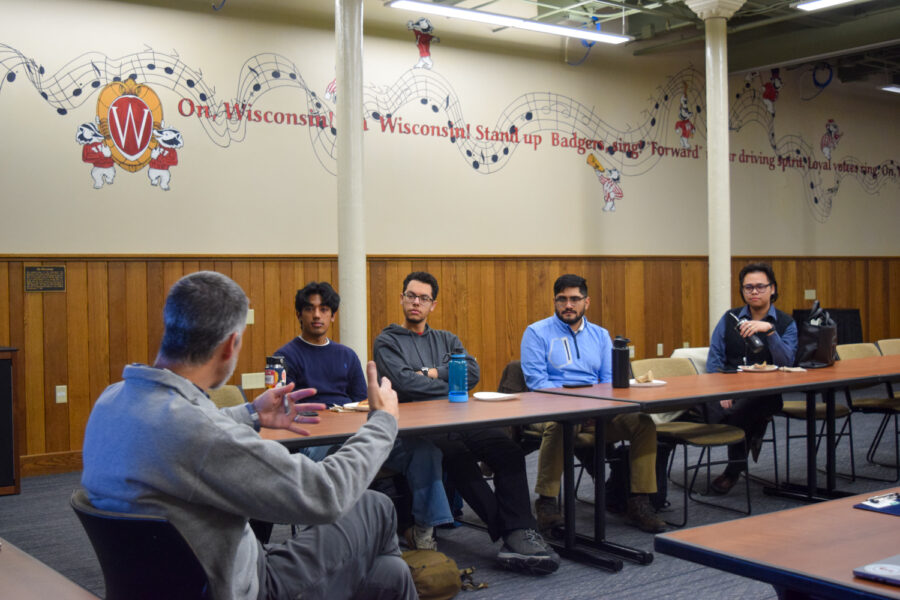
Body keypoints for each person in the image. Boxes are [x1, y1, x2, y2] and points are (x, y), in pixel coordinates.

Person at [81, 271, 415, 600]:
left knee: (390, 575)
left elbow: (182, 430)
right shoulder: (205, 437)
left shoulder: (112, 401)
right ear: (231, 345)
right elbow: (326, 495)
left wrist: (251, 414)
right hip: (249, 586)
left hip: (162, 584)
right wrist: (383, 421)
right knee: (376, 505)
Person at [374, 271, 560, 575]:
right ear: (402, 299)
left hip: (460, 416)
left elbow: (471, 373)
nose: (416, 303)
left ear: (432, 305)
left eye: (423, 298)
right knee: (457, 457)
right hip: (420, 429)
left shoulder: (447, 338)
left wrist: (428, 374)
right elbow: (403, 384)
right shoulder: (387, 341)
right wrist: (449, 379)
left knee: (508, 450)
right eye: (411, 296)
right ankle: (512, 532)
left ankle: (519, 531)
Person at [274, 280, 454, 550]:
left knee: (423, 450)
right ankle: (337, 538)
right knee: (339, 457)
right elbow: (281, 411)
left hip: (354, 428)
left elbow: (362, 401)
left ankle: (423, 531)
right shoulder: (284, 357)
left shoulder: (346, 354)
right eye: (310, 309)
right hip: (314, 436)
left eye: (324, 309)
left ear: (332, 316)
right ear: (299, 314)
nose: (317, 315)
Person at [520, 274, 666, 534]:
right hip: (553, 409)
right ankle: (547, 501)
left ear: (587, 302)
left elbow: (609, 381)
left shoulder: (600, 335)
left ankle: (639, 501)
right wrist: (579, 408)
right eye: (562, 299)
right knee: (559, 425)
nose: (568, 305)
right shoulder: (536, 332)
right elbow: (537, 383)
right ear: (554, 301)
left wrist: (598, 409)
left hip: (598, 412)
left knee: (643, 423)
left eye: (575, 299)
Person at [704, 262, 798, 494]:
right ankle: (753, 431)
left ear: (772, 289)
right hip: (729, 388)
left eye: (760, 287)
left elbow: (787, 363)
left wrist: (770, 331)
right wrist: (722, 391)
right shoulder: (730, 318)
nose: (754, 292)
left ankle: (733, 470)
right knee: (696, 404)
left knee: (739, 412)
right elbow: (714, 359)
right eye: (748, 288)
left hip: (765, 393)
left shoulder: (786, 324)